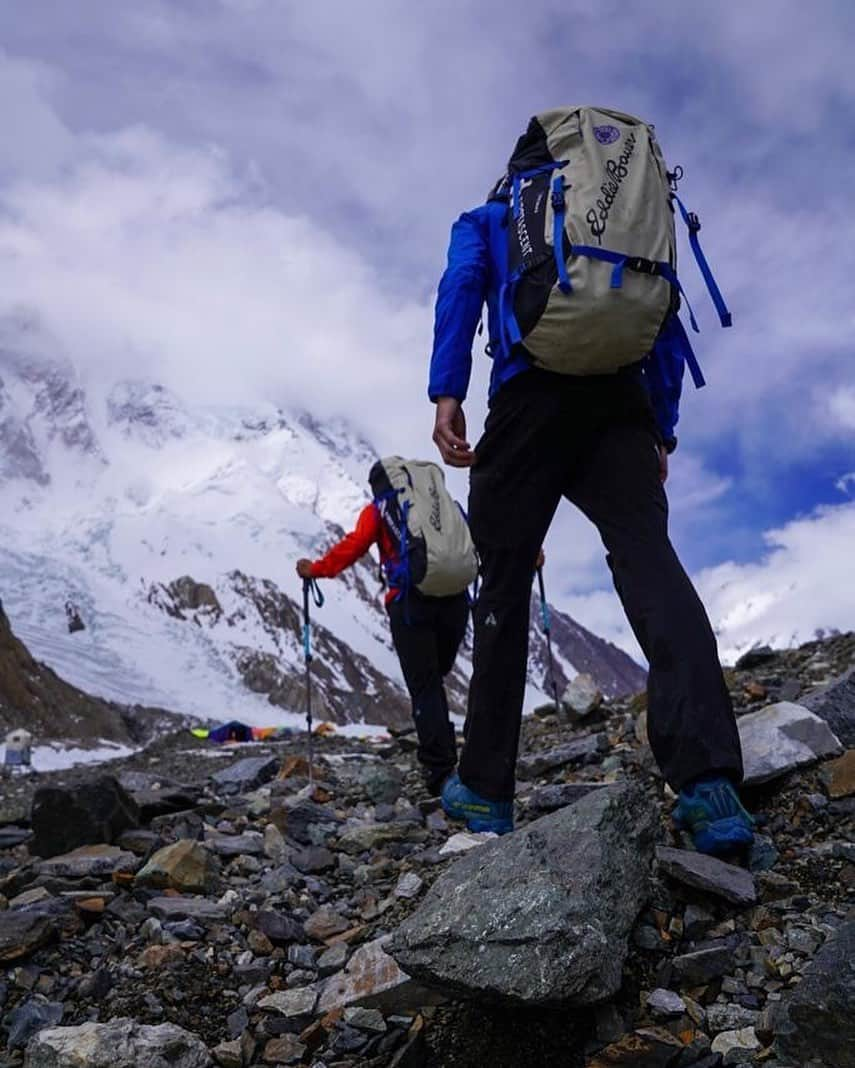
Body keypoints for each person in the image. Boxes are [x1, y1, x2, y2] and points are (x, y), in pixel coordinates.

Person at [427, 135, 754, 852]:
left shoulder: (490, 219)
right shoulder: (631, 218)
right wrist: (660, 430)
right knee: (648, 562)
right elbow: (661, 319)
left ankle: (484, 789)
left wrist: (446, 393)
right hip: (620, 407)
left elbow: (458, 290)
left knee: (504, 586)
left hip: (525, 402)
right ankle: (710, 788)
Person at [296, 475, 469, 796]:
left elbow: (355, 545)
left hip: (410, 605)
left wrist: (316, 569)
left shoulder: (380, 509)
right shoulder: (440, 506)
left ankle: (440, 771)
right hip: (456, 602)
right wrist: (530, 559)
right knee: (437, 678)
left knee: (425, 685)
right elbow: (476, 539)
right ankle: (475, 758)